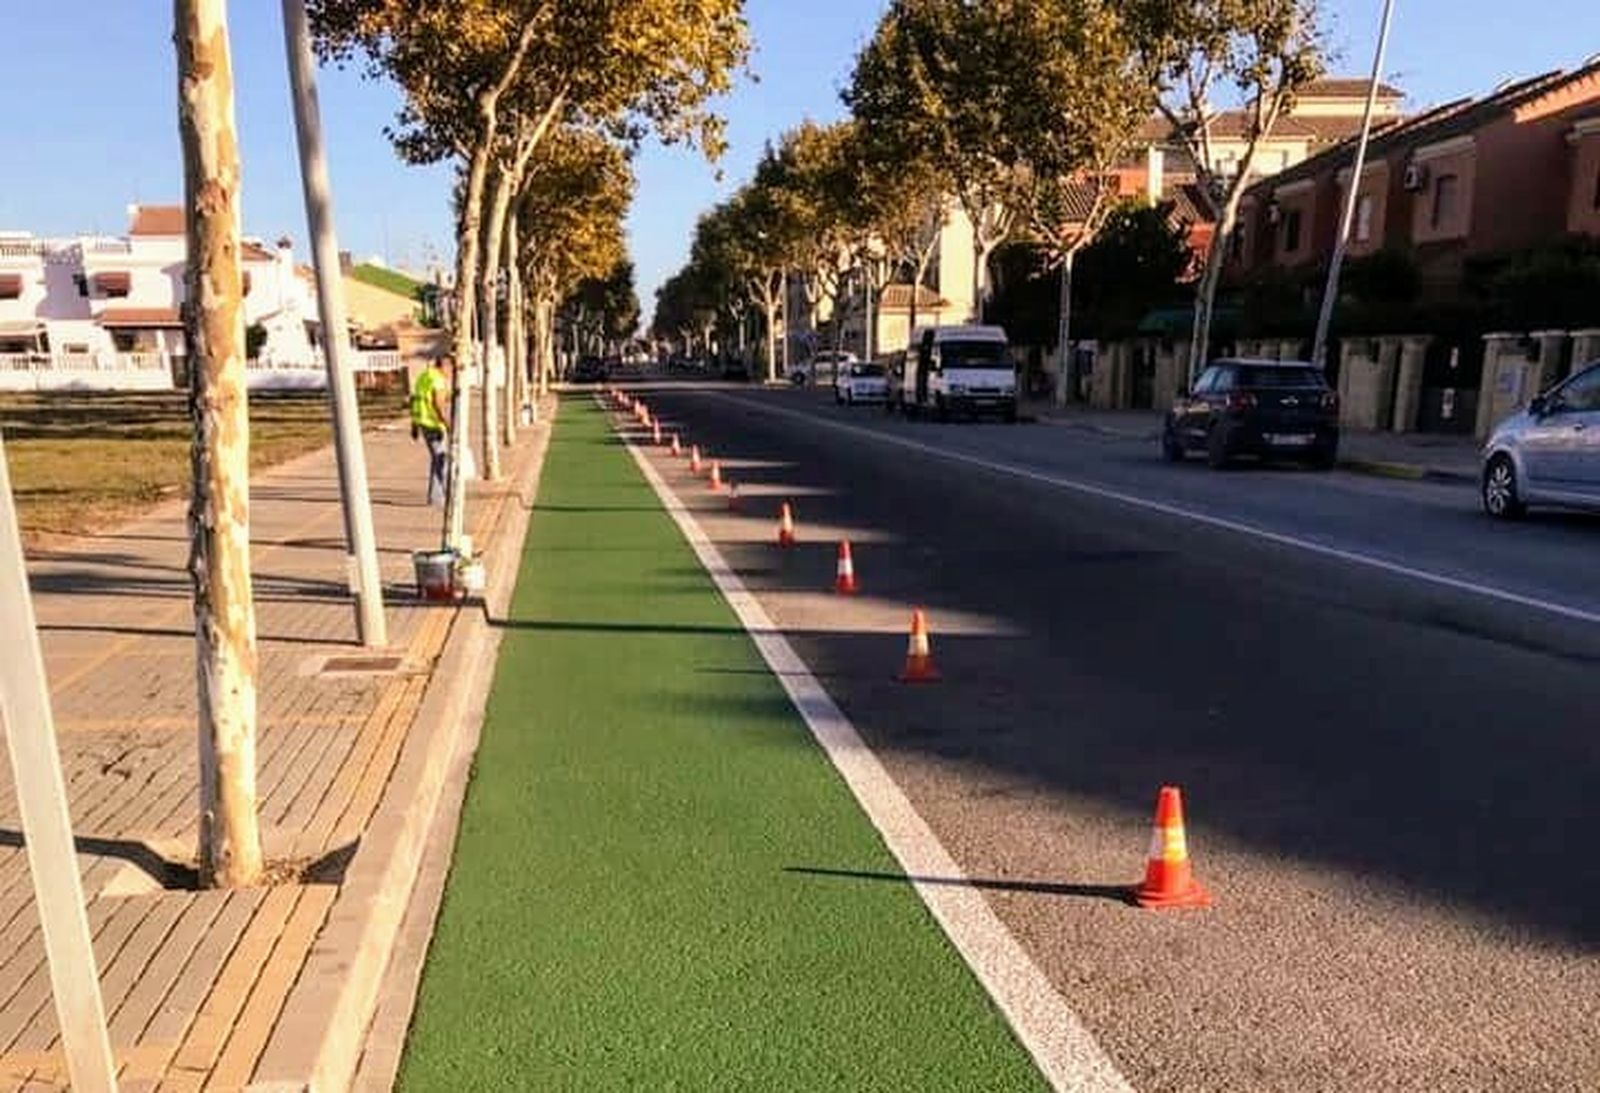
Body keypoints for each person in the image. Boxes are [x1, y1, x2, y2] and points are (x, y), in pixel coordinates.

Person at [410, 356, 450, 505]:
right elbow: (438, 404)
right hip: (433, 424)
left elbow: (415, 400)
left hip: (422, 422)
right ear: (444, 366)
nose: (451, 372)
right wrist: (446, 424)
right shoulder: (437, 380)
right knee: (440, 458)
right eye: (450, 368)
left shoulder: (424, 376)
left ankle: (437, 496)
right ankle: (437, 497)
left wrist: (414, 425)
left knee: (437, 458)